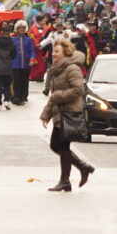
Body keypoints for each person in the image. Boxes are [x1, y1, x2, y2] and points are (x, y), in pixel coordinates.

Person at [40, 39, 93, 192]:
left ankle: (66, 180)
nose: (53, 54)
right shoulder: (58, 69)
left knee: (60, 145)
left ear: (66, 53)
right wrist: (46, 114)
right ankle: (80, 169)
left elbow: (78, 89)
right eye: (53, 51)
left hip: (69, 112)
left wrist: (60, 95)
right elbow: (53, 96)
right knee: (58, 145)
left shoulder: (71, 69)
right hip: (61, 113)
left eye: (56, 52)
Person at [10, 21, 34, 106]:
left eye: (23, 28)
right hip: (15, 64)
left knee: (24, 81)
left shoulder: (29, 39)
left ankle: (23, 96)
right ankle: (16, 97)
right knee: (16, 81)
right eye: (19, 28)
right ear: (16, 29)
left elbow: (32, 51)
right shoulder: (13, 39)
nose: (21, 29)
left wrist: (32, 59)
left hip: (26, 64)